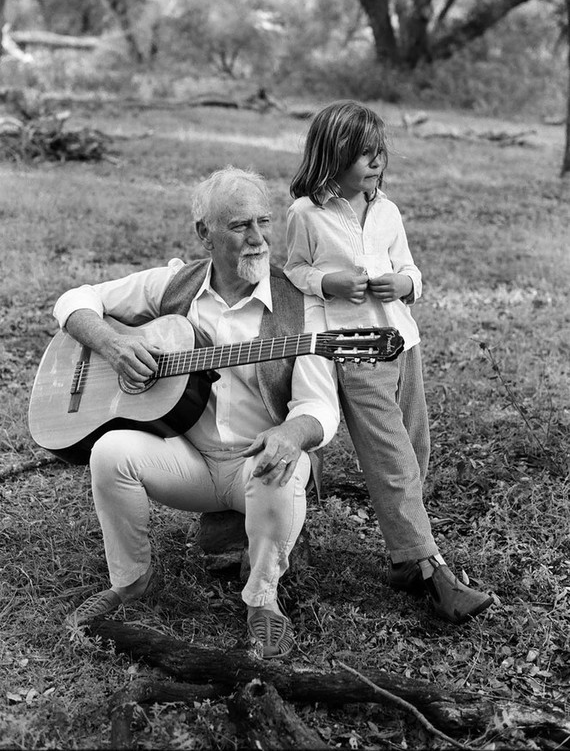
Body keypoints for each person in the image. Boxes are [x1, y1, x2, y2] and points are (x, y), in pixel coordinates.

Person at [53, 166, 339, 659]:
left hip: (257, 465)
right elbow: (75, 300)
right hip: (190, 461)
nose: (257, 239)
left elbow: (319, 405)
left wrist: (291, 433)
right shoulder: (173, 286)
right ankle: (131, 581)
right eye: (239, 226)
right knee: (109, 452)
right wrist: (115, 345)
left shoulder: (302, 308)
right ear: (203, 233)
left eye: (264, 222)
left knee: (280, 466)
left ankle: (263, 601)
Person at [284, 100, 493, 624]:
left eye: (379, 154)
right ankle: (432, 571)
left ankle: (404, 559)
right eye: (362, 155)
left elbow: (410, 270)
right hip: (352, 346)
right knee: (391, 456)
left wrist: (406, 283)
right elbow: (294, 272)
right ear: (332, 155)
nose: (374, 163)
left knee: (415, 446)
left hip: (402, 340)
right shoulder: (306, 214)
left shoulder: (388, 211)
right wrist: (328, 282)